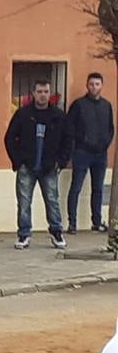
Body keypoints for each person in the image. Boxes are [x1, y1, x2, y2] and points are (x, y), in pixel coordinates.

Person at [4, 79, 72, 250]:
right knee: (24, 202)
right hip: (27, 166)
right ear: (33, 93)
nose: (43, 95)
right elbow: (10, 138)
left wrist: (61, 162)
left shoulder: (58, 116)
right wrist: (17, 162)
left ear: (50, 93)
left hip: (49, 167)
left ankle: (56, 232)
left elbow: (68, 140)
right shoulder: (23, 114)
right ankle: (24, 234)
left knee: (52, 200)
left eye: (46, 91)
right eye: (40, 91)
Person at [66, 71, 113, 234]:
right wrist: (80, 142)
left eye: (97, 84)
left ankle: (97, 222)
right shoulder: (78, 105)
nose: (94, 87)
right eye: (91, 84)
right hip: (82, 153)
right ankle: (72, 223)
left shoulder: (107, 105)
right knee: (76, 187)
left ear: (102, 85)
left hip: (100, 154)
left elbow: (110, 128)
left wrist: (105, 143)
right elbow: (69, 127)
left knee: (98, 189)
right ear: (87, 85)